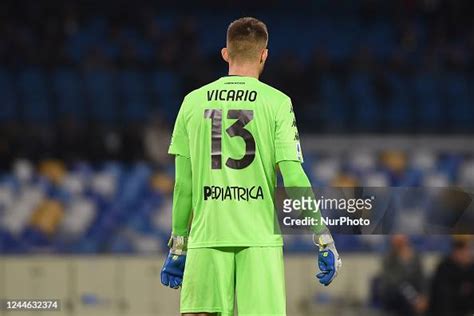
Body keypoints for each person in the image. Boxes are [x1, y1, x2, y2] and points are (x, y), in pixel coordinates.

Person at [160, 17, 341, 316]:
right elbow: (293, 176)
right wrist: (322, 236)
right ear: (264, 54)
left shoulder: (191, 103)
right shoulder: (277, 103)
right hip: (259, 240)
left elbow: (183, 186)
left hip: (207, 239)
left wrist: (179, 244)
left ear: (225, 54)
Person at [379, 235, 427, 316]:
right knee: (404, 298)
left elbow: (421, 278)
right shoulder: (388, 259)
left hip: (413, 295)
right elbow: (398, 282)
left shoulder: (415, 257)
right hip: (393, 295)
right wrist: (415, 299)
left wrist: (424, 296)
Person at [428, 237, 474, 316]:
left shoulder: (470, 268)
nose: (469, 255)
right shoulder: (444, 269)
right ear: (456, 252)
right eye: (466, 251)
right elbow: (443, 302)